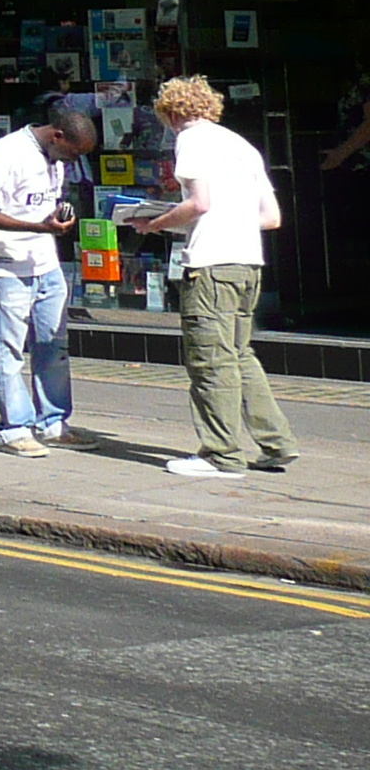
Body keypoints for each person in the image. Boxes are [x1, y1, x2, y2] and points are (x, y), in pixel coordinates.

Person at [127, 76, 296, 478]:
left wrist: (156, 223)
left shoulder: (192, 140)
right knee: (240, 355)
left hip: (211, 266)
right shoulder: (242, 146)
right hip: (247, 264)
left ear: (170, 114)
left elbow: (198, 204)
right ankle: (276, 443)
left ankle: (221, 456)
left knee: (209, 362)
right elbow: (271, 218)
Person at [0, 106, 96, 457]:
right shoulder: (5, 154)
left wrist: (54, 218)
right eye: (72, 153)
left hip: (45, 262)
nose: (72, 161)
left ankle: (52, 423)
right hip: (6, 265)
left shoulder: (54, 158)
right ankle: (14, 428)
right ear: (57, 135)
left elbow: (40, 205)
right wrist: (40, 227)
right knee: (7, 349)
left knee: (53, 346)